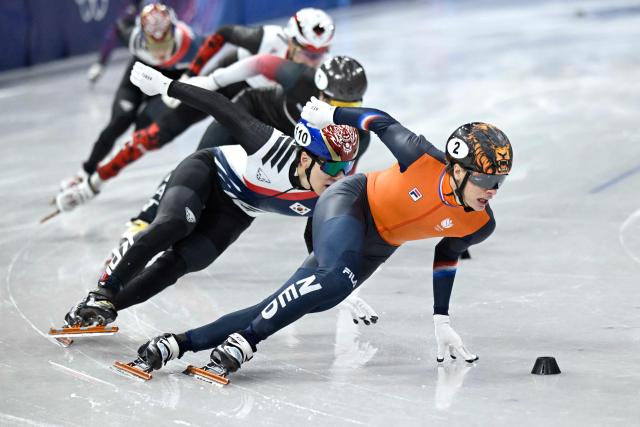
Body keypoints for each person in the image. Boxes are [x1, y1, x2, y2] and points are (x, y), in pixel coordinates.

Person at [125, 95, 514, 379]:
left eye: (499, 181)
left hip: (378, 246)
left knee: (301, 299)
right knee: (333, 277)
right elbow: (379, 120)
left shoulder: (480, 224)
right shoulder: (423, 158)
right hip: (351, 200)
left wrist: (441, 318)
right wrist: (331, 113)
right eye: (485, 179)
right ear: (458, 169)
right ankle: (245, 342)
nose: (492, 189)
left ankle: (179, 342)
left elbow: (447, 254)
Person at [61, 62, 361, 333]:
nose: (341, 176)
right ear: (306, 159)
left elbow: (320, 247)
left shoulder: (329, 195)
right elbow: (219, 106)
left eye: (347, 167)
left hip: (238, 209)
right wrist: (166, 85)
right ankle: (103, 291)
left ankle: (105, 308)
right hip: (207, 172)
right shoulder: (269, 146)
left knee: (187, 261)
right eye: (333, 166)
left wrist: (342, 288)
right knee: (174, 224)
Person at [56, 8, 335, 213]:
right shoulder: (267, 39)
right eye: (310, 54)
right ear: (290, 42)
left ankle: (164, 214)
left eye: (321, 54)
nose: (315, 61)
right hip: (221, 89)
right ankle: (92, 183)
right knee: (151, 136)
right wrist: (192, 75)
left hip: (251, 110)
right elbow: (223, 34)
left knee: (206, 165)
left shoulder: (317, 73)